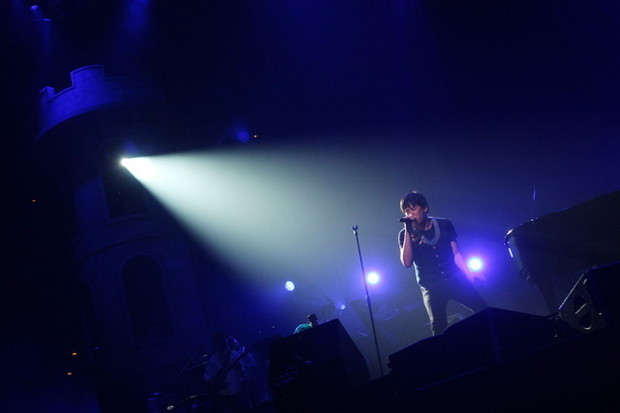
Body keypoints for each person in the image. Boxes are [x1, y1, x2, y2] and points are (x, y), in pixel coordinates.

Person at [398, 191, 486, 336]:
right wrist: (408, 231)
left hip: (454, 278)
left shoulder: (444, 224)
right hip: (431, 287)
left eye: (413, 209)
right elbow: (407, 263)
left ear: (425, 208)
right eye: (406, 211)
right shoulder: (404, 235)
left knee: (482, 308)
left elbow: (456, 253)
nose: (410, 214)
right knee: (438, 327)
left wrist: (468, 273)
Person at [203, 332, 256, 413]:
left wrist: (239, 368)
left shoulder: (234, 355)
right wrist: (216, 383)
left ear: (226, 340)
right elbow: (207, 377)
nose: (220, 343)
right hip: (221, 394)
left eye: (221, 340)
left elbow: (244, 372)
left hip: (237, 391)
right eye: (218, 341)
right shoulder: (213, 359)